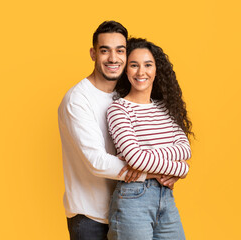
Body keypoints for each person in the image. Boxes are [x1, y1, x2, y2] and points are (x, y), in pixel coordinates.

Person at [58, 21, 180, 240]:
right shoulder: (78, 99)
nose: (113, 58)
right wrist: (156, 173)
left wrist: (170, 169)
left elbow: (156, 144)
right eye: (105, 51)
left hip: (128, 208)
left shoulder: (123, 97)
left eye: (120, 51)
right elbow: (96, 161)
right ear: (93, 54)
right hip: (90, 217)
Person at [107, 38, 193, 240]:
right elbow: (135, 159)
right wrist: (181, 169)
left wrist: (148, 160)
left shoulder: (164, 108)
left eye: (148, 65)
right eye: (134, 65)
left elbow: (185, 149)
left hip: (166, 196)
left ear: (156, 70)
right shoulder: (119, 110)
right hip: (133, 198)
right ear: (125, 70)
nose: (140, 72)